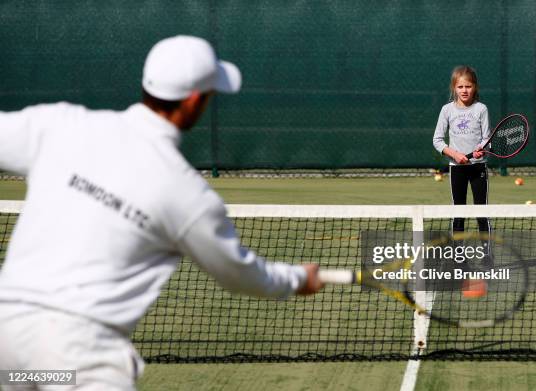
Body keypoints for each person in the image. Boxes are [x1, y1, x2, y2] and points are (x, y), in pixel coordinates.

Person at [0, 35, 323, 390]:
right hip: (78, 354)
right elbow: (240, 274)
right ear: (195, 101)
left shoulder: (60, 125)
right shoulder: (187, 194)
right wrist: (297, 278)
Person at [432, 65, 491, 236]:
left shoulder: (481, 109)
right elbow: (437, 140)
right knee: (458, 213)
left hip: (478, 167)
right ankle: (458, 256)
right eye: (460, 87)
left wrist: (483, 148)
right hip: (456, 168)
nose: (464, 90)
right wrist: (455, 155)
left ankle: (487, 256)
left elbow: (486, 138)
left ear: (475, 87)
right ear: (454, 88)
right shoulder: (447, 110)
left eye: (468, 86)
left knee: (482, 213)